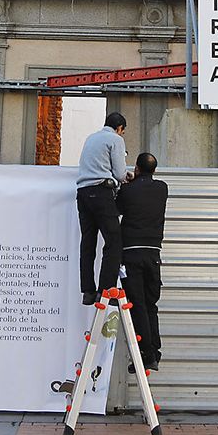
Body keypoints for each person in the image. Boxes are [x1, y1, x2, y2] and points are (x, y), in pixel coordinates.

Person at [117, 151, 168, 372]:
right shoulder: (162, 188)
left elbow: (117, 208)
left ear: (137, 168)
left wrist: (127, 183)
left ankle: (146, 354)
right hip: (153, 254)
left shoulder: (128, 191)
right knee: (150, 304)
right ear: (154, 170)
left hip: (131, 254)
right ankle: (154, 352)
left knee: (136, 304)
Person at [75, 110, 128, 306]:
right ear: (119, 128)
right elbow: (120, 173)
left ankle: (88, 292)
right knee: (114, 241)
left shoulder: (91, 138)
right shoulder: (115, 139)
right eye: (122, 131)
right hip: (101, 192)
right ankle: (106, 291)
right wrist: (126, 177)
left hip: (83, 193)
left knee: (88, 242)